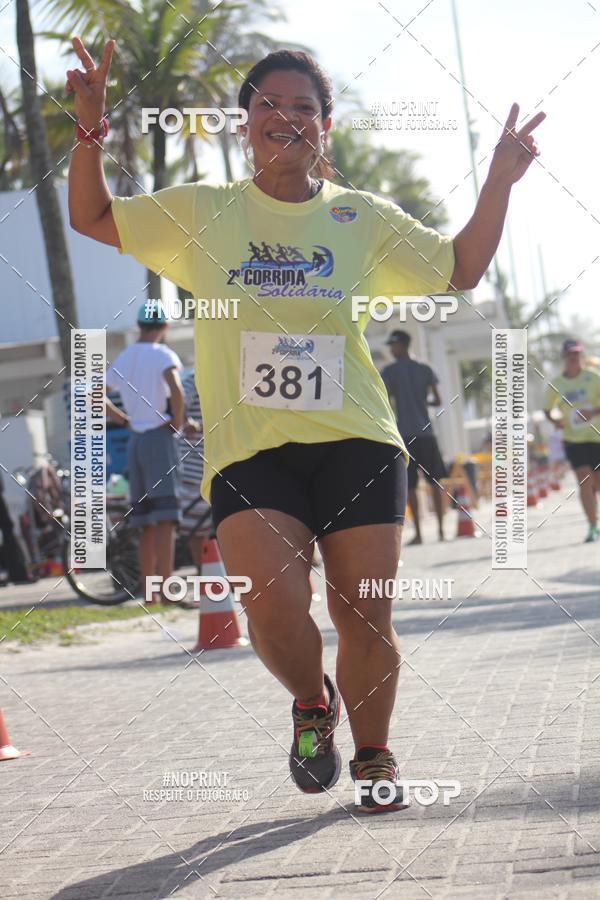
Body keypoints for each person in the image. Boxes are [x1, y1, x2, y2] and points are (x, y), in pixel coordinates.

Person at [67, 37, 544, 811]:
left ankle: (376, 756)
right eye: (269, 103)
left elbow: (459, 269)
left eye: (304, 106)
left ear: (325, 125)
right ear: (244, 121)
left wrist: (498, 179)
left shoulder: (359, 217)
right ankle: (312, 702)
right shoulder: (202, 210)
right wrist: (90, 127)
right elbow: (90, 216)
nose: (285, 116)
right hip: (249, 450)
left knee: (365, 612)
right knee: (271, 604)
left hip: (356, 438)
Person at [105, 303, 185, 602]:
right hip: (158, 437)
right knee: (165, 517)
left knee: (144, 521)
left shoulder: (125, 357)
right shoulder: (163, 355)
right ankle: (168, 590)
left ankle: (150, 593)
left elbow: (94, 393)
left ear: (139, 326)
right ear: (164, 327)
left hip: (135, 440)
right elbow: (176, 389)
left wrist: (123, 420)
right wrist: (177, 422)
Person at [381, 330, 447, 543]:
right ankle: (441, 531)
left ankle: (419, 534)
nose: (391, 350)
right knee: (435, 482)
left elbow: (384, 398)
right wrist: (421, 402)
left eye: (393, 346)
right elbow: (438, 400)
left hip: (404, 435)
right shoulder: (425, 368)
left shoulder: (389, 371)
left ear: (401, 345)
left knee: (409, 486)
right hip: (427, 433)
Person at [544, 339, 600, 543]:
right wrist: (556, 421)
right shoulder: (557, 383)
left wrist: (593, 412)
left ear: (581, 356)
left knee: (597, 482)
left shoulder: (593, 377)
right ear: (564, 357)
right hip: (573, 439)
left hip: (596, 436)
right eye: (569, 354)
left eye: (576, 354)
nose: (573, 358)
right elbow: (548, 409)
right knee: (584, 479)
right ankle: (593, 526)